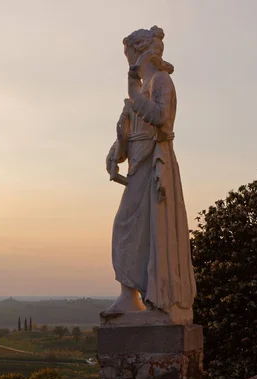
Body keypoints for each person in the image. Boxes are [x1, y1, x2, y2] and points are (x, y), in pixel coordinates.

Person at [101, 26, 196, 320]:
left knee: (132, 228)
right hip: (139, 163)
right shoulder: (144, 88)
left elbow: (160, 117)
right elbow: (133, 133)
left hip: (156, 163)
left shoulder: (161, 80)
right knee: (133, 230)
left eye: (129, 56)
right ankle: (131, 297)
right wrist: (115, 153)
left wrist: (132, 94)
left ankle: (148, 297)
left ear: (140, 54)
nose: (128, 64)